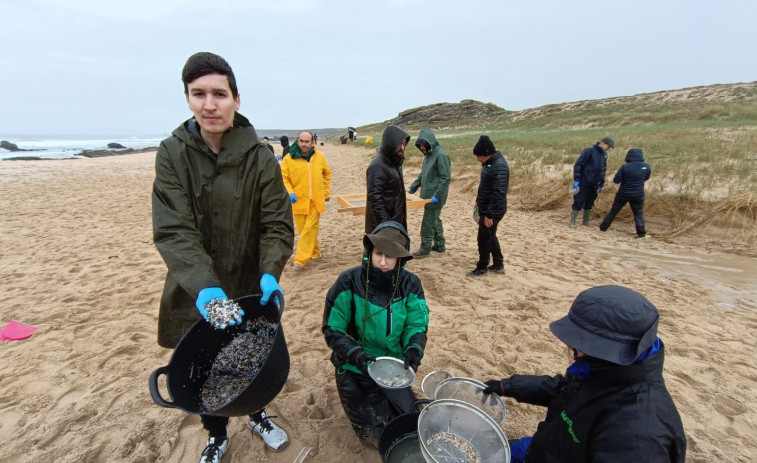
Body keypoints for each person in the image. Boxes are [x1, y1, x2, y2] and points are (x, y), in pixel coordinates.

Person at [151, 52, 295, 463]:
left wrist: (270, 271)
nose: (209, 104)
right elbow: (174, 228)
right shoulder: (172, 154)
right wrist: (205, 286)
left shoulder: (260, 157)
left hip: (251, 285)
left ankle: (258, 414)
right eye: (199, 94)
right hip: (196, 290)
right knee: (206, 367)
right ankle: (215, 433)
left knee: (252, 359)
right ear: (188, 99)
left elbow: (276, 224)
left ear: (236, 99)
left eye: (219, 93)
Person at [482, 285, 687, 463]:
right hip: (550, 447)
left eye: (580, 343)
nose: (574, 348)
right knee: (496, 451)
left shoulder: (637, 434)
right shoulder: (605, 372)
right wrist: (508, 386)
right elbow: (564, 389)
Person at [322, 221, 429, 441]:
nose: (382, 261)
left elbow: (416, 324)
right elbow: (332, 329)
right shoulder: (348, 282)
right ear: (369, 251)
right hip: (354, 365)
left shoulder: (411, 284)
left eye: (390, 256)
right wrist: (356, 354)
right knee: (372, 432)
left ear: (399, 258)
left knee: (412, 422)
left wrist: (413, 349)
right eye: (378, 253)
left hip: (392, 367)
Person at [280, 130, 332, 269]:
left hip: (316, 200)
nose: (304, 144)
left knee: (309, 228)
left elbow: (327, 174)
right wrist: (290, 192)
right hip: (297, 201)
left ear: (312, 142)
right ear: (297, 141)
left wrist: (325, 192)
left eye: (307, 141)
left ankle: (300, 260)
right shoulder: (288, 159)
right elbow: (283, 177)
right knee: (304, 229)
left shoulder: (319, 157)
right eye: (301, 141)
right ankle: (315, 253)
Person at [468, 135, 509, 277]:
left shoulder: (499, 167)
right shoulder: (490, 164)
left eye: (478, 156)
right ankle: (498, 264)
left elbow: (499, 193)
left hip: (493, 210)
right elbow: (485, 187)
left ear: (486, 153)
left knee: (484, 238)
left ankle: (482, 267)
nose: (477, 159)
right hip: (486, 208)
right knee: (490, 236)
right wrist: (478, 202)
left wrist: (490, 214)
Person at [407, 126, 451, 257]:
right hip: (427, 196)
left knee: (427, 222)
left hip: (435, 196)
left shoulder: (441, 155)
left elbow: (446, 177)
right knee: (435, 220)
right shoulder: (428, 156)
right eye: (419, 146)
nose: (421, 148)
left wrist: (437, 195)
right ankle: (440, 245)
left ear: (428, 142)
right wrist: (413, 187)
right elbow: (423, 174)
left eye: (422, 146)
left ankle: (425, 249)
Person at [365, 125, 410, 234]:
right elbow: (375, 200)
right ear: (391, 143)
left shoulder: (395, 162)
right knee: (380, 251)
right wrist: (386, 226)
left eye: (404, 144)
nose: (402, 148)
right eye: (399, 144)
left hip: (396, 221)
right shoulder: (377, 166)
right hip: (382, 226)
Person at [599, 148, 652, 238]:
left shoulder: (625, 167)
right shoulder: (646, 167)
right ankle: (641, 234)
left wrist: (626, 178)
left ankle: (602, 228)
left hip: (623, 193)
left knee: (614, 211)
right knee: (638, 214)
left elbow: (616, 180)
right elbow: (646, 178)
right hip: (638, 194)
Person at [570, 136, 614, 227]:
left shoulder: (604, 155)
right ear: (603, 143)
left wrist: (601, 183)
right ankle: (572, 222)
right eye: (608, 146)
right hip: (584, 182)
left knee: (590, 202)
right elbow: (578, 165)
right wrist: (577, 179)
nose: (609, 149)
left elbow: (603, 170)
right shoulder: (589, 151)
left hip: (595, 184)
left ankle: (585, 221)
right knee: (578, 201)